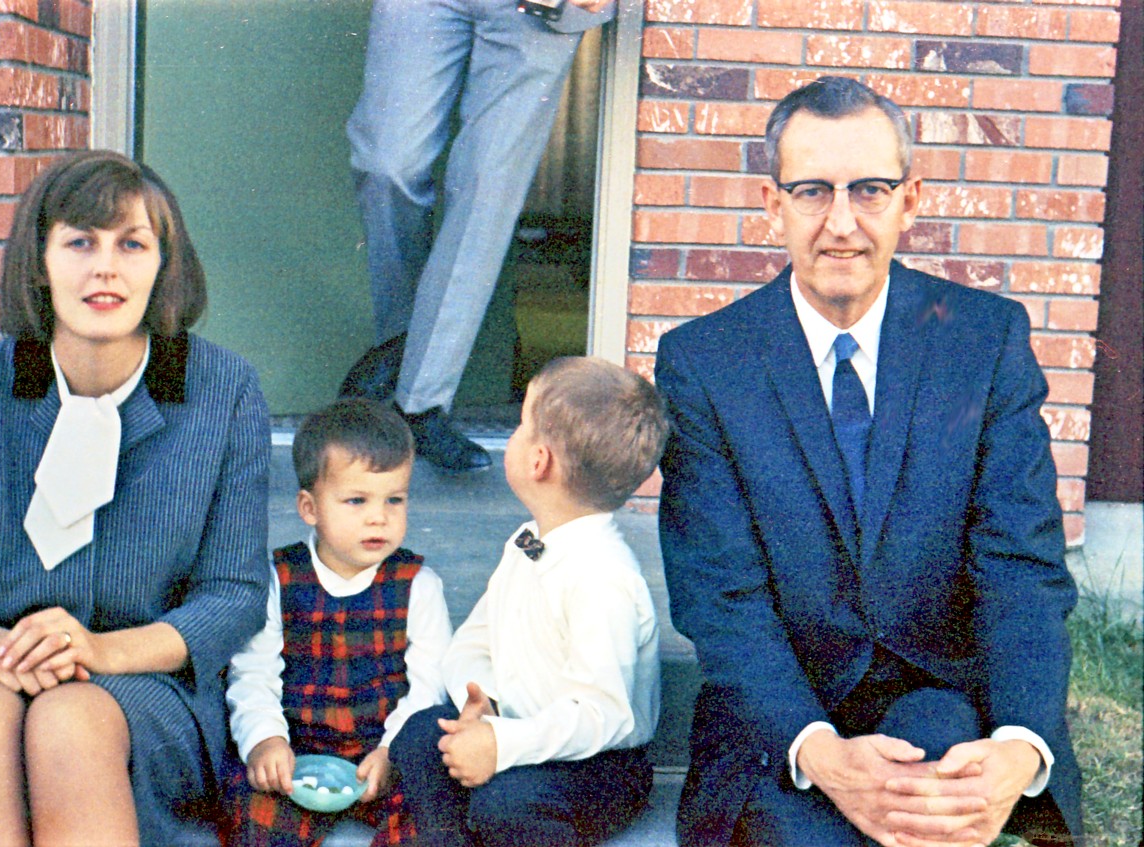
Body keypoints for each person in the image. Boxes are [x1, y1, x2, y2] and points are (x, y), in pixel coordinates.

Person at [655, 76, 1082, 847]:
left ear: (910, 200)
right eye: (812, 191)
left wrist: (1021, 744)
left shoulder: (983, 340)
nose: (842, 223)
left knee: (936, 790)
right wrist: (821, 752)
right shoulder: (705, 363)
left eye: (870, 190)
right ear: (772, 204)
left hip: (938, 697)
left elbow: (1020, 563)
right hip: (782, 724)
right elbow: (721, 596)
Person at [0, 150, 271, 845]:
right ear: (40, 262)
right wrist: (6, 649)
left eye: (131, 244)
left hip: (150, 685)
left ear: (164, 264)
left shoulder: (224, 391)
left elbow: (233, 595)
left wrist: (98, 651)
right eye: (80, 243)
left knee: (67, 719)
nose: (105, 268)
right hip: (3, 670)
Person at [388, 355, 668, 847]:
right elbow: (472, 642)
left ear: (539, 461)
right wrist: (484, 703)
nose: (513, 436)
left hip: (596, 765)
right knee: (418, 737)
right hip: (511, 729)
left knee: (507, 803)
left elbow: (603, 715)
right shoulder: (527, 543)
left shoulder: (603, 578)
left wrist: (503, 743)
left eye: (520, 426)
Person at [338, 0, 615, 472]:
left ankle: (418, 401)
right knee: (387, 164)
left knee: (487, 190)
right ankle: (402, 349)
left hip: (538, 9)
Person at [223, 398, 454, 846]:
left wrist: (392, 751)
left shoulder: (418, 585)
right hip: (298, 753)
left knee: (431, 814)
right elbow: (253, 673)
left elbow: (429, 687)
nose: (378, 516)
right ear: (309, 508)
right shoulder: (278, 579)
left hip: (383, 754)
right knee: (253, 814)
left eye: (395, 499)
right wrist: (265, 740)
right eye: (356, 500)